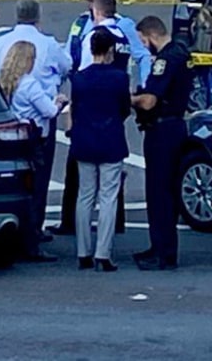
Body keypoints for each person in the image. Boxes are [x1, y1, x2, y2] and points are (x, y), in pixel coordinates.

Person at [0, 0, 72, 251]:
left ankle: (15, 227)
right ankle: (33, 232)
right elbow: (67, 67)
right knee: (38, 182)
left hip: (7, 126)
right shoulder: (48, 45)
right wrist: (57, 99)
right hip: (39, 125)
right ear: (38, 17)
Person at [54, 0, 133, 237]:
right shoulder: (123, 36)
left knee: (83, 186)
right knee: (112, 177)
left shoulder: (95, 36)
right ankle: (113, 228)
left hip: (90, 113)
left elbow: (87, 76)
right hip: (114, 109)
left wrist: (72, 117)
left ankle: (80, 238)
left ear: (96, 11)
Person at [131, 16, 194, 271]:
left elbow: (150, 101)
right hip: (175, 126)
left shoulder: (166, 59)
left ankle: (163, 252)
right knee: (166, 190)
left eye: (142, 40)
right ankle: (161, 246)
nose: (143, 45)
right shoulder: (182, 52)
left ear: (149, 35)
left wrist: (130, 98)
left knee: (159, 192)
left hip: (163, 130)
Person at [0, 39, 66, 263]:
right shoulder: (29, 84)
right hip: (36, 140)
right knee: (36, 192)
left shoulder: (5, 82)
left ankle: (19, 239)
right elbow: (49, 111)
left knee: (22, 191)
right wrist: (59, 102)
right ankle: (32, 243)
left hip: (17, 139)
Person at [70, 28, 132, 273]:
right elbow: (124, 108)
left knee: (84, 196)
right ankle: (103, 253)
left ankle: (82, 251)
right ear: (110, 50)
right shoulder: (119, 78)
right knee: (108, 197)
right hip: (110, 138)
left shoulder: (79, 78)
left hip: (84, 139)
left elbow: (75, 107)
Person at [67, 0, 152, 85]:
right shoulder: (80, 22)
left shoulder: (123, 24)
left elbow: (143, 55)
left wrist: (146, 85)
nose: (92, 3)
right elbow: (68, 54)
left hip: (107, 84)